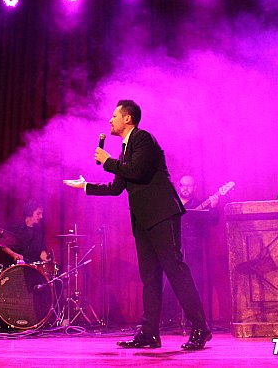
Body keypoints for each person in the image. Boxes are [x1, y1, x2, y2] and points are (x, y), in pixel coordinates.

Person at [63, 100, 211, 350]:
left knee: (175, 270)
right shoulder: (124, 152)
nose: (110, 120)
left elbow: (139, 171)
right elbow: (116, 187)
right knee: (150, 277)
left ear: (128, 118)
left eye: (114, 116)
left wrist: (107, 161)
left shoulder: (143, 139)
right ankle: (149, 333)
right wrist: (86, 186)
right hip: (143, 220)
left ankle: (200, 328)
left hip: (162, 214)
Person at [162, 175, 218, 325]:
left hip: (193, 249)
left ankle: (194, 319)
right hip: (173, 248)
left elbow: (213, 222)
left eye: (189, 186)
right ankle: (168, 318)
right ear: (178, 186)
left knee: (195, 283)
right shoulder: (170, 203)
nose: (185, 188)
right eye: (183, 185)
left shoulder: (200, 205)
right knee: (169, 282)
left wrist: (213, 208)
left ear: (195, 187)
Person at [0, 200, 49, 264]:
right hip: (16, 267)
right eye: (38, 213)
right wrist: (14, 254)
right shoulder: (15, 228)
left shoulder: (40, 232)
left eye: (41, 214)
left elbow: (42, 251)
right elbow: (3, 246)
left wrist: (46, 257)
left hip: (33, 268)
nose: (41, 216)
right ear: (30, 212)